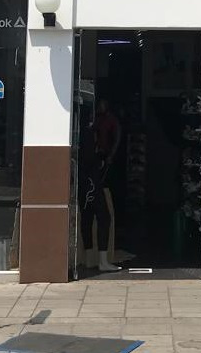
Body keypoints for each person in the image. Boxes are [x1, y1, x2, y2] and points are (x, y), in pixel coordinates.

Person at [80, 97, 121, 272]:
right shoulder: (90, 132)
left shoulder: (81, 131)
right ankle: (103, 261)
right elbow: (91, 156)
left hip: (83, 179)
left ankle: (89, 257)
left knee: (87, 217)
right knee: (104, 217)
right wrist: (102, 159)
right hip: (92, 178)